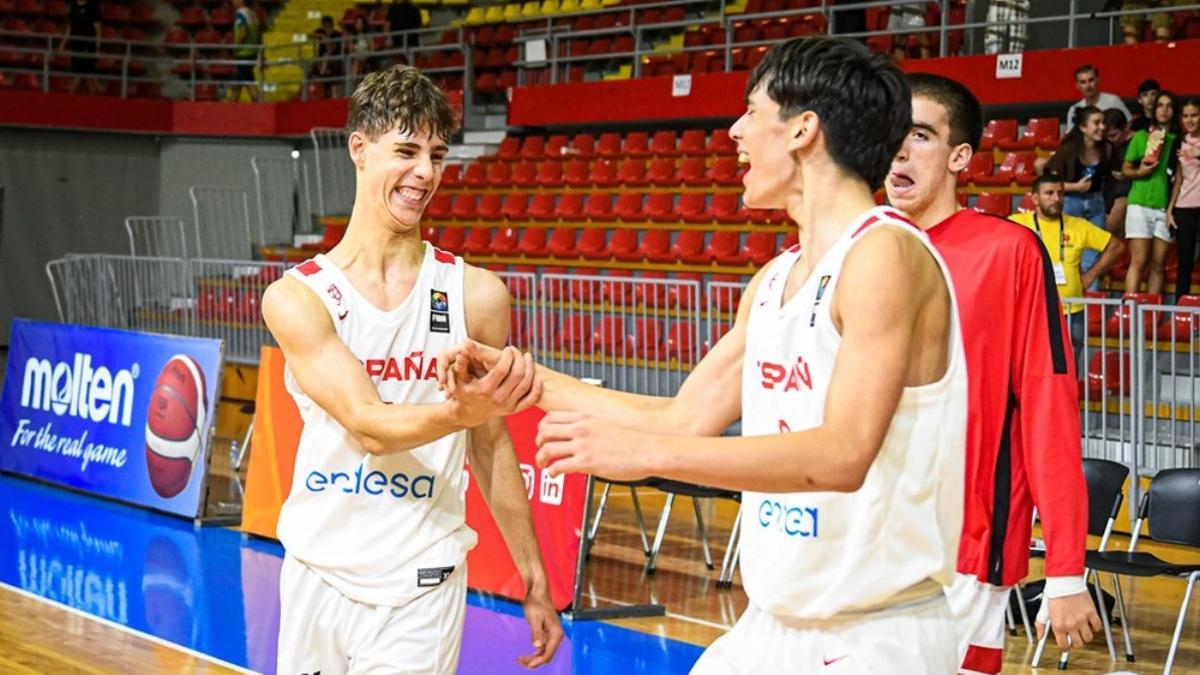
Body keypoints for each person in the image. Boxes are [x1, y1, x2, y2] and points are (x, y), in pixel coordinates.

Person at [443, 36, 967, 673]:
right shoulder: (775, 280)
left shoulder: (886, 254)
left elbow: (844, 452)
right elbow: (682, 417)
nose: (735, 131)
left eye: (752, 112)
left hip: (874, 636)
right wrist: (520, 379)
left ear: (804, 129)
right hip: (773, 626)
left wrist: (648, 457)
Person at [261, 65, 563, 674]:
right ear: (359, 149)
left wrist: (534, 576)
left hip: (423, 578)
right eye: (406, 151)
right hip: (319, 572)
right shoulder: (298, 296)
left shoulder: (476, 295)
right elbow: (368, 425)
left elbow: (490, 441)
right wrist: (461, 411)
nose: (424, 173)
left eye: (437, 154)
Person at [884, 73, 1101, 675]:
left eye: (920, 135)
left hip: (965, 552)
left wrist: (1063, 569)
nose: (899, 150)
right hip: (861, 539)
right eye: (892, 133)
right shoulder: (857, 249)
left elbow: (1047, 406)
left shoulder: (1009, 252)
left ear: (959, 156)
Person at [1011, 173, 1126, 361]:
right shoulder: (1017, 224)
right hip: (1034, 311)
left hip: (1073, 312)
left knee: (1070, 369)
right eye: (1049, 193)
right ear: (1035, 199)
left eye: (1060, 193)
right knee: (1036, 366)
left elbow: (1117, 247)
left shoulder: (1078, 226)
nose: (1056, 199)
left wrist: (1091, 275)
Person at [1123, 91, 1179, 296]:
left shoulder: (1179, 141)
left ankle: (1151, 318)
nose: (1164, 110)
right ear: (1153, 110)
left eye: (1169, 106)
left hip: (1166, 208)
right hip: (1139, 204)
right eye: (1160, 105)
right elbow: (1126, 169)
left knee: (1158, 265)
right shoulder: (1141, 137)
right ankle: (1130, 314)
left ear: (1175, 111)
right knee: (1138, 261)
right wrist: (1140, 172)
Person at [1167, 98, 1200, 299]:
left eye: (1194, 115)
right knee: (1185, 262)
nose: (1189, 120)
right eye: (1186, 116)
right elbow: (1178, 177)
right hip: (1184, 207)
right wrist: (1170, 209)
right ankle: (1180, 310)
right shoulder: (1180, 141)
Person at [1066, 65, 1131, 128]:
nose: (1088, 86)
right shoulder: (1074, 110)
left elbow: (1129, 123)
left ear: (1098, 80)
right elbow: (1070, 135)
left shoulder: (1113, 101)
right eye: (1083, 82)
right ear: (1077, 86)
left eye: (1091, 80)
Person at [60, 0, 102, 95]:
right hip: (76, 46)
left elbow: (98, 29)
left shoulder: (93, 6)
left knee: (81, 73)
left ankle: (70, 95)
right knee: (86, 76)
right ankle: (94, 98)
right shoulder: (73, 5)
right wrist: (62, 44)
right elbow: (70, 27)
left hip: (88, 46)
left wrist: (97, 48)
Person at [1104, 108, 1133, 235]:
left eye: (1113, 135)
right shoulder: (1107, 145)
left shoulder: (1139, 143)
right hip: (1109, 193)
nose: (1111, 139)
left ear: (1126, 127)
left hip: (1128, 194)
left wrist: (1128, 174)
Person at [231, 0, 261, 102]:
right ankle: (231, 108)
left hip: (243, 54)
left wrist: (236, 48)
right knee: (237, 84)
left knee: (248, 82)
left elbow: (243, 33)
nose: (233, 1)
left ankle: (259, 105)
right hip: (253, 53)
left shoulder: (240, 14)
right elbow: (259, 35)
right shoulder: (252, 14)